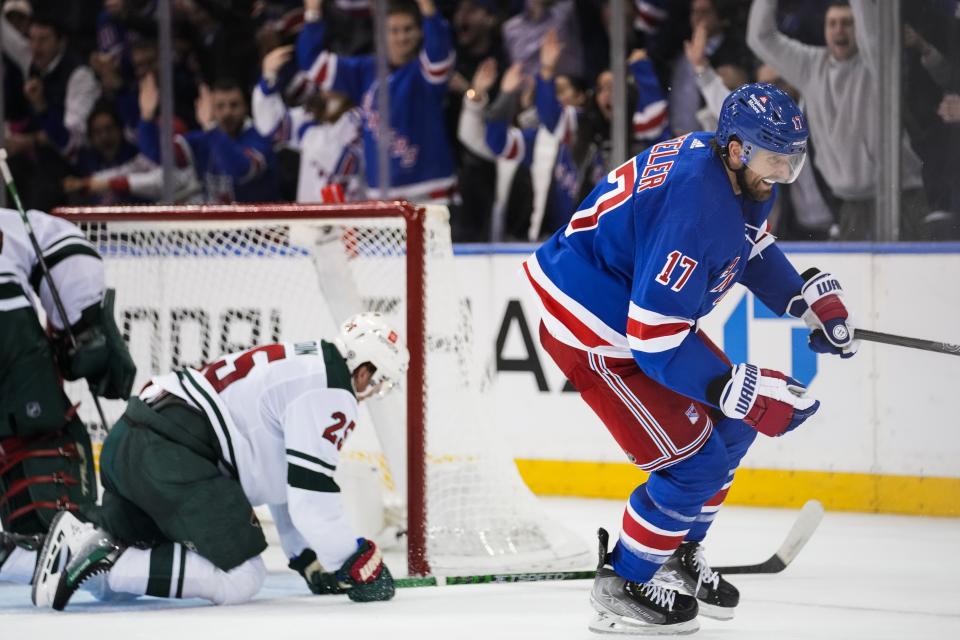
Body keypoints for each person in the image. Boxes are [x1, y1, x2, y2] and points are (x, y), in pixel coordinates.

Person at [522, 83, 858, 634]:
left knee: (733, 427)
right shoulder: (694, 204)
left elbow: (746, 244)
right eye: (774, 158)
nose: (781, 170)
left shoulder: (737, 174)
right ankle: (623, 583)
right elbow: (654, 340)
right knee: (693, 463)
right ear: (734, 148)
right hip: (594, 327)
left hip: (638, 316)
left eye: (789, 159)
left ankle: (676, 552)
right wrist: (739, 387)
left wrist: (802, 302)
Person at [28, 312, 409, 611]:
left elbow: (287, 483)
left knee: (114, 591)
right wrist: (354, 560)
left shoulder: (306, 361)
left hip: (135, 438)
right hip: (174, 454)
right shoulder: (332, 391)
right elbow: (311, 497)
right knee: (242, 576)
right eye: (377, 380)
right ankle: (109, 556)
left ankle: (35, 550)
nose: (371, 391)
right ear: (364, 368)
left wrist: (304, 556)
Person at [0, 207, 136, 562]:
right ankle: (53, 535)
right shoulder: (29, 225)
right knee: (41, 427)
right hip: (6, 313)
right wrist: (82, 331)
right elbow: (74, 257)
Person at [747, 0, 929, 240]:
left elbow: (873, 36)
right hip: (848, 205)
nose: (839, 30)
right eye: (832, 24)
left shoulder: (878, 64)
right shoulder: (810, 66)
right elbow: (760, 37)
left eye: (847, 23)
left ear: (860, 28)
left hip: (899, 197)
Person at [296, 0, 457, 205]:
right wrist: (312, 12)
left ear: (420, 32)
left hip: (432, 192)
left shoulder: (426, 73)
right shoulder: (364, 71)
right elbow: (313, 64)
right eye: (393, 30)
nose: (401, 37)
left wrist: (428, 9)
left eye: (408, 29)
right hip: (381, 196)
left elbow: (439, 51)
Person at [137, 73, 279, 203]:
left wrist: (211, 128)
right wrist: (146, 118)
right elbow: (160, 155)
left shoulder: (260, 139)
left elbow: (240, 170)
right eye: (220, 106)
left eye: (234, 105)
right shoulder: (203, 140)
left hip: (257, 227)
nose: (227, 112)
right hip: (216, 228)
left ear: (246, 107)